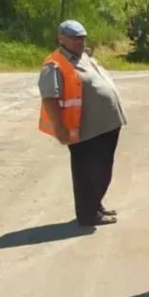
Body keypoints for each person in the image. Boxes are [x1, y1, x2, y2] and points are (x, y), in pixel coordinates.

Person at [38, 19, 127, 227]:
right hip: (84, 129)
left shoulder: (83, 56)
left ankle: (95, 205)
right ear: (62, 38)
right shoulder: (54, 65)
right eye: (75, 38)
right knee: (87, 173)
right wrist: (60, 129)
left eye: (82, 38)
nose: (79, 42)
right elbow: (49, 98)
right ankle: (88, 215)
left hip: (104, 126)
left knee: (102, 169)